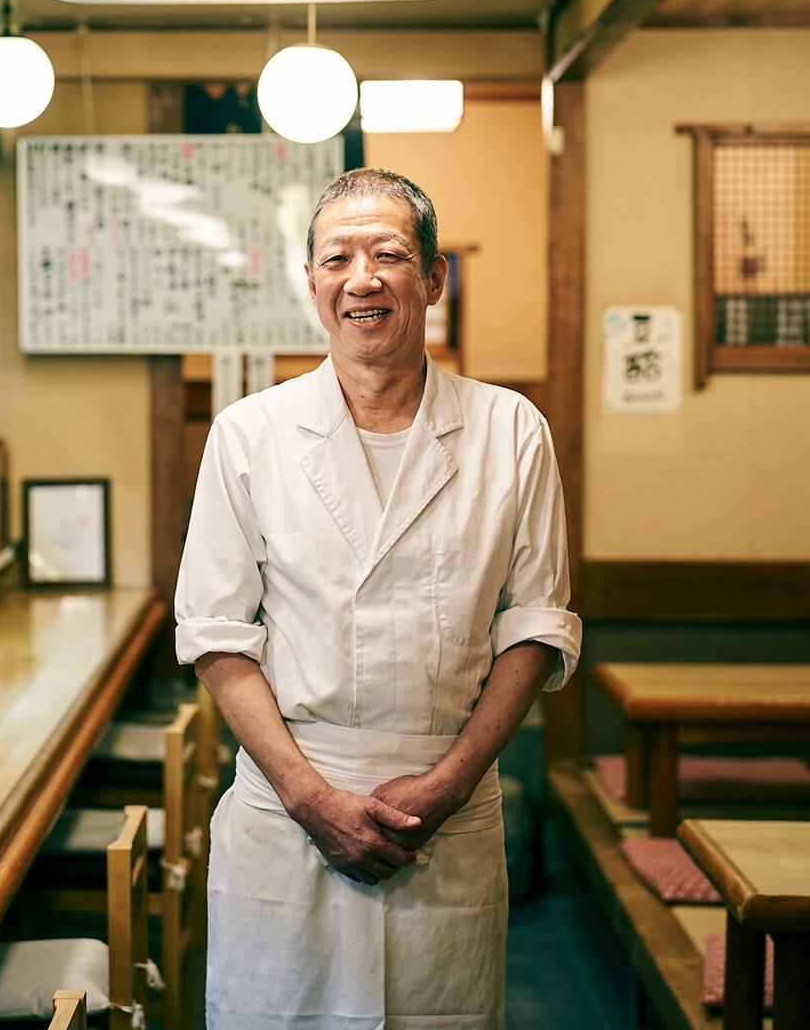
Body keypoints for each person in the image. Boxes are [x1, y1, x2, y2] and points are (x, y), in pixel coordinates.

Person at [176, 167, 582, 1028]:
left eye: (389, 254)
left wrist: (448, 785)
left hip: (448, 805)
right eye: (337, 259)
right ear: (314, 282)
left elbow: (538, 628)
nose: (362, 278)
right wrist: (310, 800)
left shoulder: (512, 430)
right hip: (288, 810)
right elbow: (213, 632)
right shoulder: (251, 434)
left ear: (433, 278)